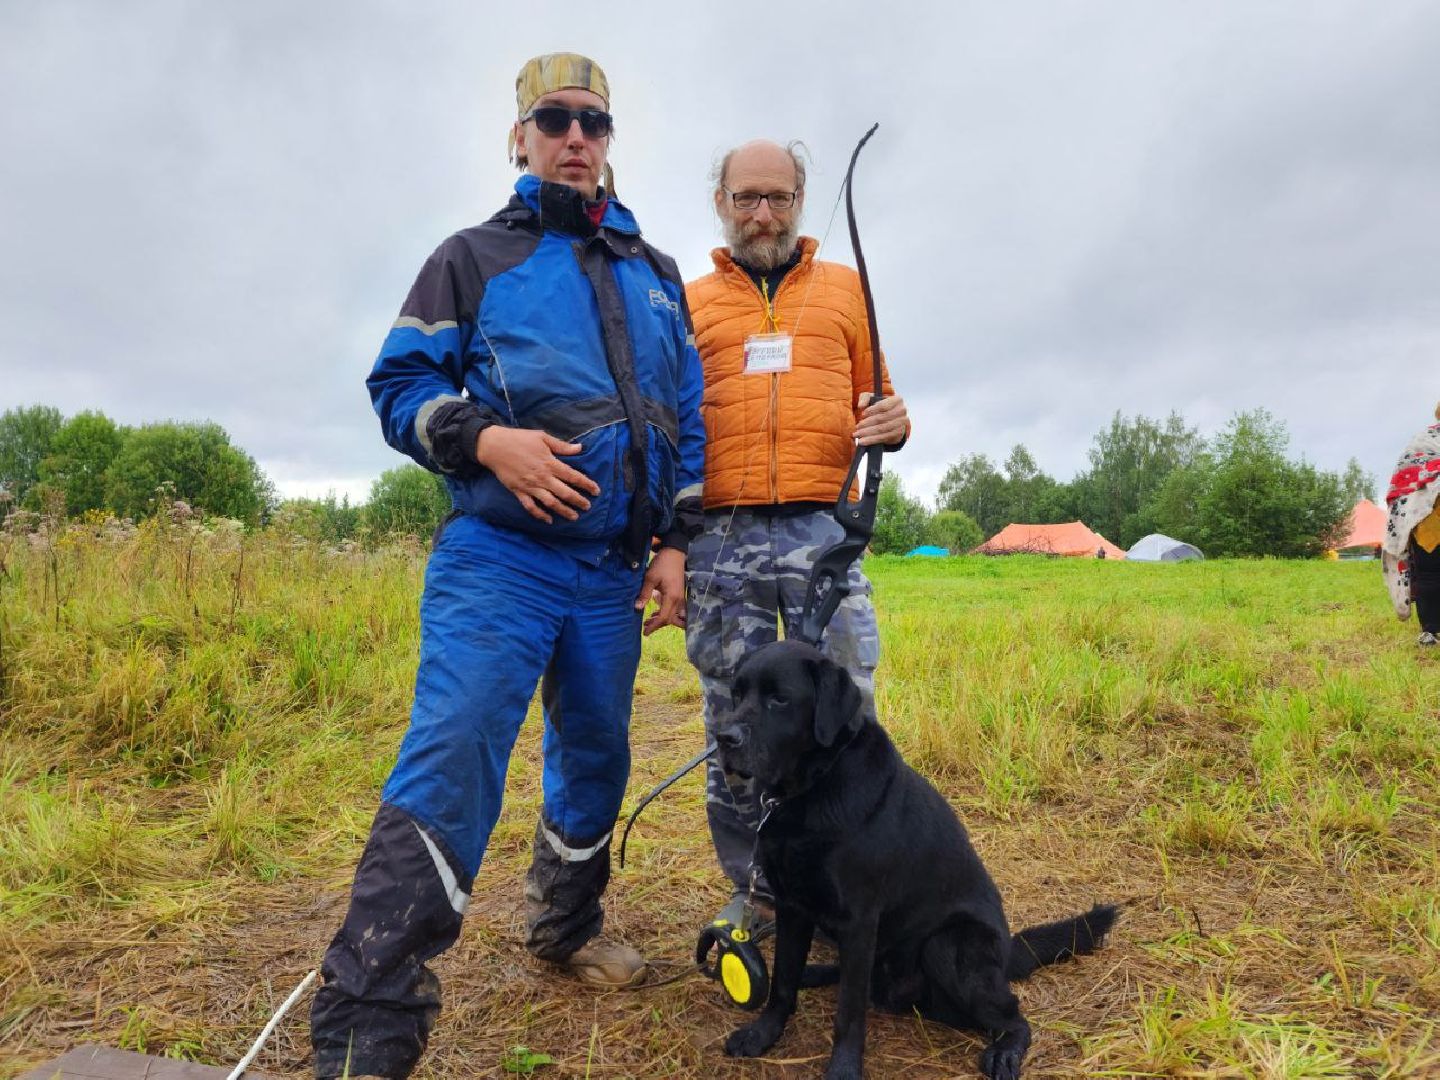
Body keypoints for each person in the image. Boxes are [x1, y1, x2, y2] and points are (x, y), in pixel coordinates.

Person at [308, 53, 704, 1080]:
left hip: (611, 575)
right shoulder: (471, 258)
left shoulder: (659, 277)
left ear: (611, 141)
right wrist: (487, 441)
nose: (577, 137)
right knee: (455, 757)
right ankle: (367, 1029)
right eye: (555, 119)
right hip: (499, 562)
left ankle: (564, 929)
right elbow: (399, 381)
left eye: (596, 122)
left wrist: (671, 544)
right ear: (519, 138)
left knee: (599, 758)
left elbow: (689, 423)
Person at [683, 139, 909, 925]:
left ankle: (854, 882)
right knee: (733, 721)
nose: (763, 214)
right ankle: (756, 894)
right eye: (747, 197)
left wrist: (894, 421)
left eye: (778, 197)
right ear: (721, 201)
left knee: (846, 709)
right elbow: (674, 424)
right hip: (721, 539)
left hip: (825, 530)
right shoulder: (688, 302)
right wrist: (667, 546)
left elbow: (879, 402)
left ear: (800, 200)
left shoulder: (846, 294)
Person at [1383, 401, 1440, 646]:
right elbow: (1404, 480)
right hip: (1428, 519)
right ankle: (1429, 630)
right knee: (1429, 574)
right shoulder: (1423, 442)